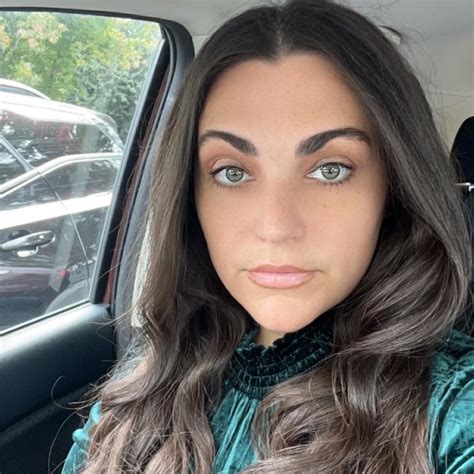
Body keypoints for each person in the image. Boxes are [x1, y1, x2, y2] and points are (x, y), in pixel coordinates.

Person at [61, 0, 474, 472]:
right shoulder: (149, 374)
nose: (276, 228)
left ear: (394, 188)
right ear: (190, 197)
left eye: (331, 169)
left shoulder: (453, 410)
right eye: (232, 172)